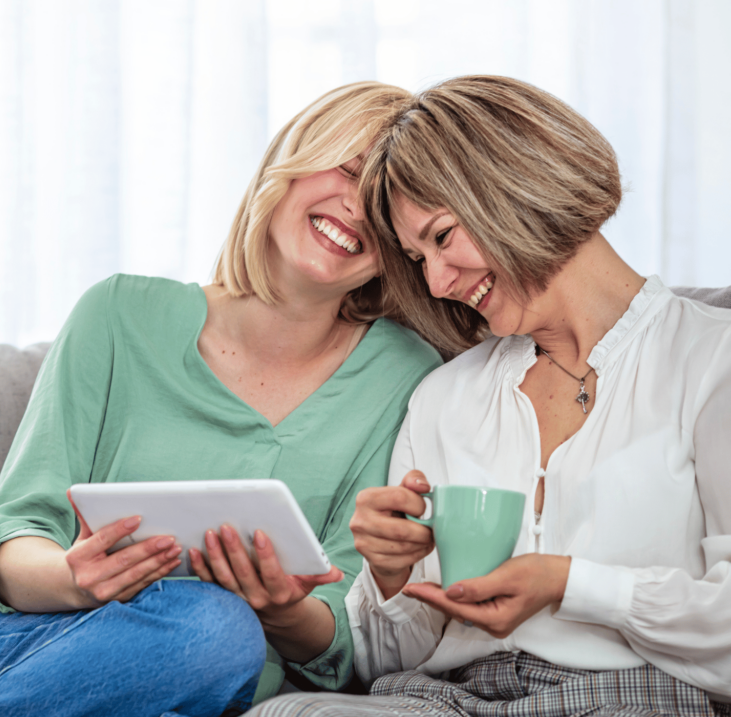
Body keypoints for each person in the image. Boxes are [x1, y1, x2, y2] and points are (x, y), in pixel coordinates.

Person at [0, 81, 442, 717]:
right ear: (290, 163)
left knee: (225, 635)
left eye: (383, 203)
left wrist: (281, 609)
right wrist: (73, 577)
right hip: (46, 650)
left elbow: (347, 630)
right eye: (348, 166)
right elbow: (9, 541)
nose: (356, 209)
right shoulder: (117, 314)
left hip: (229, 683)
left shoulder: (403, 374)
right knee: (211, 626)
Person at [246, 75, 731, 717]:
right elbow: (382, 660)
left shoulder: (711, 359)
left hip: (626, 697)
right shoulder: (445, 396)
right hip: (444, 700)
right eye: (418, 259)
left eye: (442, 237)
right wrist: (391, 578)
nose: (440, 282)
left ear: (520, 186)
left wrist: (568, 585)